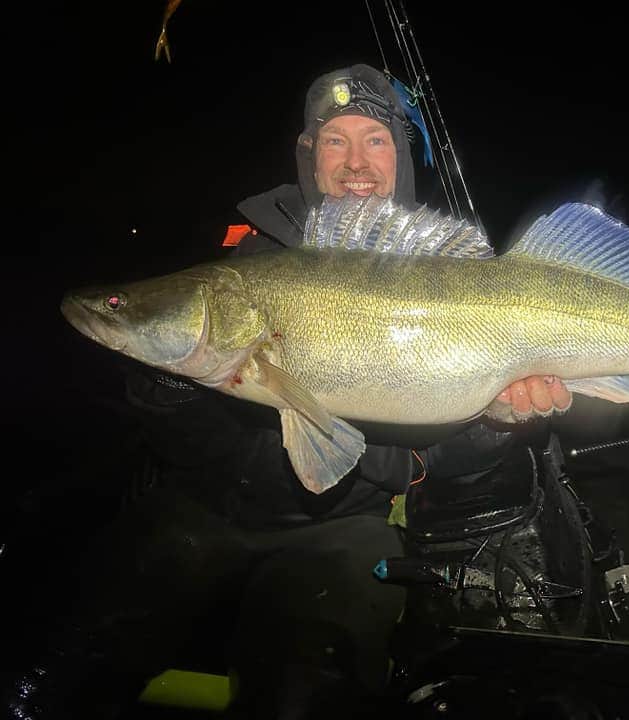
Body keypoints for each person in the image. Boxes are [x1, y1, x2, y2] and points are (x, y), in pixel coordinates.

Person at [3, 63, 572, 719]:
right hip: (200, 514)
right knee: (46, 675)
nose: (356, 162)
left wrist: (497, 420)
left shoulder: (448, 271)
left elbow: (447, 468)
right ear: (310, 156)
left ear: (401, 159)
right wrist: (164, 387)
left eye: (377, 140)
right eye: (335, 141)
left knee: (305, 696)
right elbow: (183, 447)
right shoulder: (244, 265)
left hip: (346, 532)